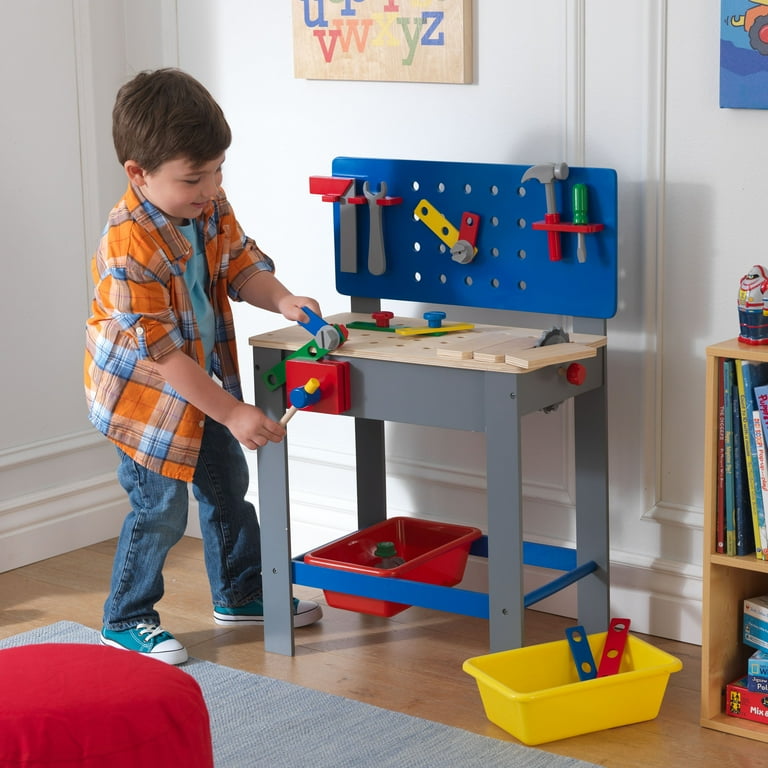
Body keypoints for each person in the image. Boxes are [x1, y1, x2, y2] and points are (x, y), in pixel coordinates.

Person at [84, 68, 322, 665]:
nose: (211, 187)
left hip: (202, 383)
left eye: (218, 171)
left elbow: (241, 265)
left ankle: (240, 590)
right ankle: (126, 616)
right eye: (195, 177)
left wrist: (284, 299)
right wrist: (235, 411)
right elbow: (162, 358)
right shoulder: (128, 245)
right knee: (160, 509)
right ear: (138, 173)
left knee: (226, 485)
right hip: (145, 402)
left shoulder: (206, 203)